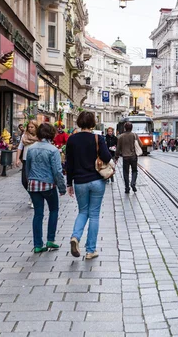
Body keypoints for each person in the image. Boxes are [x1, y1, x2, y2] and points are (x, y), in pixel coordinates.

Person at [65, 111, 112, 259]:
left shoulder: (72, 140)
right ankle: (90, 250)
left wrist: (69, 183)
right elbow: (106, 156)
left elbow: (69, 163)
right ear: (92, 123)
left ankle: (75, 237)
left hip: (80, 182)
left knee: (83, 212)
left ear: (79, 122)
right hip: (97, 180)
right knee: (94, 215)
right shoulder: (98, 138)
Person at [25, 123, 66, 253]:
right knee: (53, 210)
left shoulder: (31, 149)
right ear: (51, 134)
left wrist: (29, 182)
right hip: (48, 185)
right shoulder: (53, 150)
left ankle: (38, 244)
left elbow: (28, 168)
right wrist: (62, 187)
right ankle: (50, 240)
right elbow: (57, 171)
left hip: (33, 185)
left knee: (38, 214)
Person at [16, 120, 39, 208]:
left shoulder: (39, 137)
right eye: (29, 127)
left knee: (33, 181)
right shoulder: (24, 136)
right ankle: (32, 195)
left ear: (36, 127)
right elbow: (20, 147)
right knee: (24, 181)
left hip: (36, 161)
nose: (30, 129)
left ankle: (34, 198)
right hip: (26, 160)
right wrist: (17, 159)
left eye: (32, 127)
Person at [116, 122, 143, 194]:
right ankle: (133, 183)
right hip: (133, 156)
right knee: (134, 171)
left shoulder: (121, 136)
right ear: (131, 128)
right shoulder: (134, 135)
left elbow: (118, 148)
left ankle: (127, 188)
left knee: (126, 172)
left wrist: (116, 157)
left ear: (125, 128)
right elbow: (141, 144)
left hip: (125, 157)